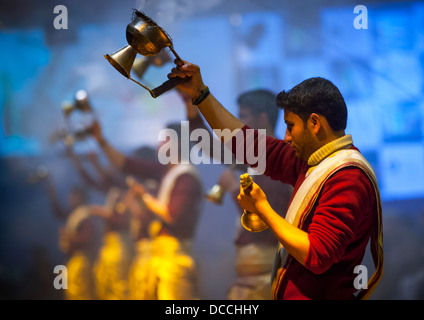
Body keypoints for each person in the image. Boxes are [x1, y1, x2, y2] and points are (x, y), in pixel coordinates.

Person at [168, 60, 384, 300]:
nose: (286, 137)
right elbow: (247, 144)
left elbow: (317, 254)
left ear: (315, 123)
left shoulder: (348, 176)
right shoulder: (314, 163)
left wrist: (262, 209)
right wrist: (199, 93)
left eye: (291, 127)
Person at [179, 88, 292, 299]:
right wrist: (190, 102)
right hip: (248, 275)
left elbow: (267, 222)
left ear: (263, 117)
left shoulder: (280, 161)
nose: (237, 123)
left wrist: (234, 190)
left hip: (267, 278)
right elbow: (206, 145)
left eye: (242, 116)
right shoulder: (252, 155)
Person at [89, 120, 203, 300]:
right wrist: (100, 140)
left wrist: (144, 197)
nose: (159, 144)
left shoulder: (186, 177)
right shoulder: (165, 172)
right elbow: (127, 164)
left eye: (164, 140)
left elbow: (173, 216)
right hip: (157, 259)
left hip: (174, 260)